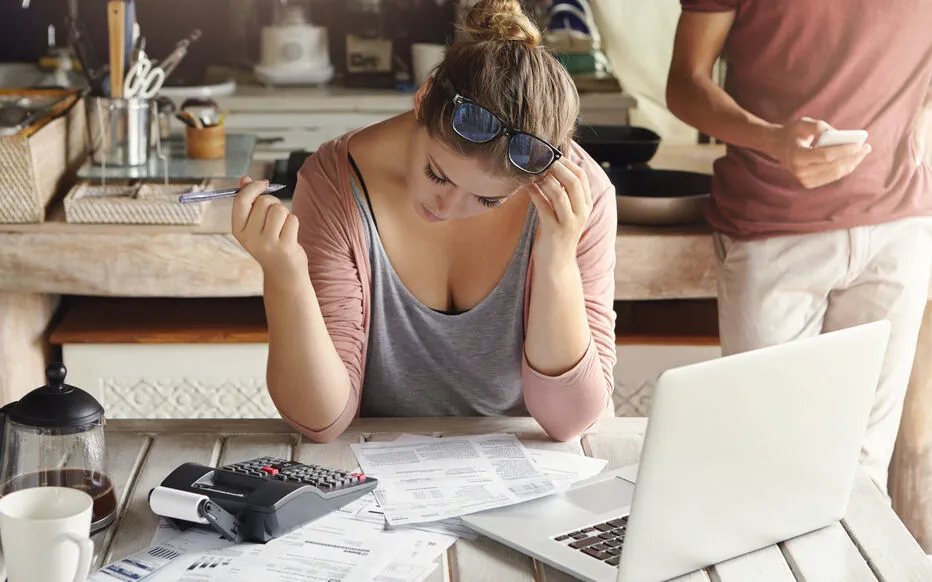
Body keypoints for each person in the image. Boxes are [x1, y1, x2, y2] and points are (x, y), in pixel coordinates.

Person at [231, 0, 618, 443]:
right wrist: (286, 275)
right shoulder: (335, 183)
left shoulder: (575, 199)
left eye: (489, 200)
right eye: (438, 174)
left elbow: (570, 423)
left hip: (533, 475)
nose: (447, 208)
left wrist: (557, 257)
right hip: (379, 478)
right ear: (422, 98)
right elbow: (320, 420)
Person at [666, 0, 932, 493]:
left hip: (899, 228)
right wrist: (771, 140)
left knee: (862, 475)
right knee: (767, 466)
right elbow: (684, 82)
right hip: (772, 228)